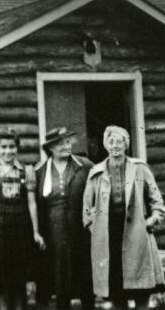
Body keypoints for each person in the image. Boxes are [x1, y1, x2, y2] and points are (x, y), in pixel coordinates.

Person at [82, 125, 165, 310]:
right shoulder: (96, 173)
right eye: (111, 142)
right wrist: (94, 230)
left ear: (126, 144)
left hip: (138, 237)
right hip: (109, 238)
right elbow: (87, 209)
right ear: (106, 145)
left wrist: (149, 223)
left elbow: (158, 203)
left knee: (141, 290)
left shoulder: (140, 168)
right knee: (116, 289)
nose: (115, 146)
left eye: (119, 141)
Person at [0, 130, 45, 310]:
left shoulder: (27, 171)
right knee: (1, 280)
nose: (8, 151)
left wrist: (36, 232)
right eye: (4, 147)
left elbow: (32, 203)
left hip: (21, 229)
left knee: (19, 279)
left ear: (17, 148)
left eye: (12, 147)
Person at [35, 127, 94, 310]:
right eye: (59, 143)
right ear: (50, 148)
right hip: (54, 234)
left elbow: (98, 195)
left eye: (67, 141)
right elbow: (36, 205)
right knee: (60, 281)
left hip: (81, 231)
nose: (65, 146)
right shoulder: (41, 171)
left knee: (85, 277)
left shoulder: (85, 166)